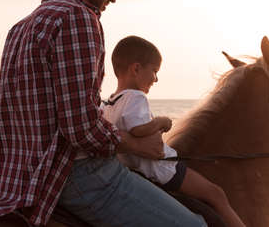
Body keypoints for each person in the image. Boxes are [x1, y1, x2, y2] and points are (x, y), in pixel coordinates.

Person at [0, 0, 208, 227]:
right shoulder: (79, 18)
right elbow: (81, 129)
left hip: (19, 174)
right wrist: (140, 147)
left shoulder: (21, 27)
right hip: (75, 175)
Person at [102, 35, 246, 227]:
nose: (156, 79)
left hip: (136, 172)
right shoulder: (136, 98)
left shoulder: (109, 104)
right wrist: (161, 122)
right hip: (164, 170)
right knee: (216, 194)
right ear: (136, 69)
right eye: (154, 71)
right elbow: (138, 130)